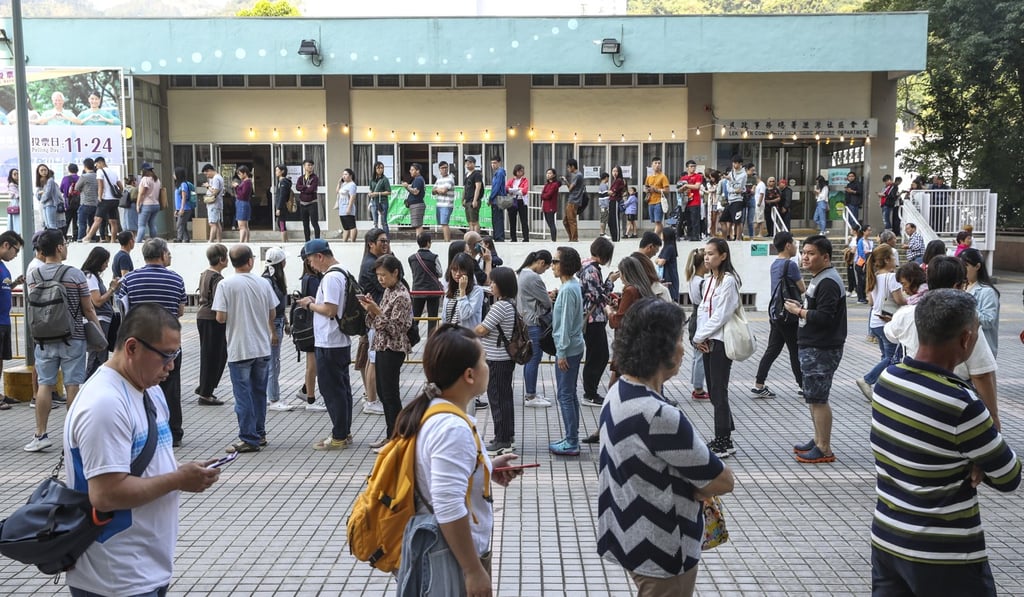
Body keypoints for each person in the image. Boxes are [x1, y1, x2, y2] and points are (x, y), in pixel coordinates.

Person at [63, 303, 221, 597]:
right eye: (166, 355)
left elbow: (146, 465)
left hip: (146, 566)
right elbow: (106, 495)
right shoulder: (104, 404)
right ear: (132, 347)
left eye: (175, 355)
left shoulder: (149, 391)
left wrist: (186, 473)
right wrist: (178, 480)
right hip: (115, 576)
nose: (171, 365)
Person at [870, 289, 1021, 595]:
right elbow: (1008, 476)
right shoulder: (961, 404)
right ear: (966, 339)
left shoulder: (888, 380)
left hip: (888, 539)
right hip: (945, 556)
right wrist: (977, 455)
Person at [598, 298, 735, 597]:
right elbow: (722, 480)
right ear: (662, 349)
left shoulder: (618, 392)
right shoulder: (659, 415)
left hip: (629, 537)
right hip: (663, 548)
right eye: (678, 340)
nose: (683, 348)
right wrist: (700, 487)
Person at [393, 324, 521, 596]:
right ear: (469, 375)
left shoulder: (434, 410)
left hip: (443, 549)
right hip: (449, 554)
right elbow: (448, 506)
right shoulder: (452, 429)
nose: (488, 365)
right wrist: (473, 570)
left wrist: (484, 468)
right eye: (484, 360)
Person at [885, 256, 1002, 429]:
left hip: (913, 396)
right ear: (957, 285)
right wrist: (993, 416)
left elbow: (890, 333)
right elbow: (982, 373)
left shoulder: (907, 313)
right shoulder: (966, 321)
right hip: (954, 402)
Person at [24, 230, 101, 452]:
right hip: (73, 337)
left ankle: (40, 435)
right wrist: (98, 334)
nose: (66, 247)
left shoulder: (34, 276)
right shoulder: (75, 275)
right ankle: (73, 438)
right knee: (72, 385)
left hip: (44, 338)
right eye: (65, 244)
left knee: (45, 385)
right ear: (59, 247)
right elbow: (88, 309)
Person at [116, 238, 187, 446]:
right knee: (171, 388)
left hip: (139, 344)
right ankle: (173, 432)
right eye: (169, 253)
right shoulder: (176, 279)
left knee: (139, 387)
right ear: (163, 254)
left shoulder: (129, 279)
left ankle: (145, 431)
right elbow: (181, 310)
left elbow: (123, 309)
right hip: (168, 345)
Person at [785, 234, 847, 464]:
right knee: (813, 397)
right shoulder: (820, 278)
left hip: (822, 347)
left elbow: (826, 318)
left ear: (826, 257)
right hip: (813, 345)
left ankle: (824, 447)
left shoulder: (828, 281)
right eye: (804, 253)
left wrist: (799, 312)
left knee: (819, 398)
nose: (805, 257)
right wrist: (802, 308)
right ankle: (818, 438)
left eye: (811, 254)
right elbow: (818, 310)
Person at [212, 245, 278, 454]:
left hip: (239, 348)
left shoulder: (225, 284)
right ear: (249, 261)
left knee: (243, 395)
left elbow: (220, 317)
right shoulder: (263, 283)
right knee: (259, 393)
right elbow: (273, 313)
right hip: (261, 347)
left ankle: (248, 438)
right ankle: (260, 433)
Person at [295, 239, 355, 450]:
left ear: (320, 256)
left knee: (332, 391)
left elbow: (330, 310)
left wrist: (310, 304)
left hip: (329, 341)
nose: (311, 265)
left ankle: (338, 436)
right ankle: (344, 432)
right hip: (340, 341)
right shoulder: (344, 271)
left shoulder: (330, 278)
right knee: (342, 389)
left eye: (311, 260)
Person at [359, 254, 412, 451]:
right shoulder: (389, 292)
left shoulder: (401, 295)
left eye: (384, 275)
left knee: (390, 394)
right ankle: (391, 435)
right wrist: (370, 309)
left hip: (393, 348)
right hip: (381, 346)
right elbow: (375, 324)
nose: (380, 279)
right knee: (383, 392)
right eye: (378, 275)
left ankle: (396, 438)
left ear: (395, 272)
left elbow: (395, 328)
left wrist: (377, 311)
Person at [692, 238, 740, 458]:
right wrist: (699, 337)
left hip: (720, 341)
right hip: (708, 340)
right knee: (714, 391)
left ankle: (724, 440)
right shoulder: (709, 280)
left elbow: (722, 314)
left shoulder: (729, 281)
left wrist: (699, 336)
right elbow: (704, 311)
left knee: (719, 391)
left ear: (723, 256)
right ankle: (725, 433)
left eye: (711, 253)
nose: (707, 257)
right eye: (706, 253)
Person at [752, 232, 805, 399]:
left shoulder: (775, 264)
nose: (796, 247)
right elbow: (802, 288)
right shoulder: (791, 265)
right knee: (795, 350)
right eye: (795, 244)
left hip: (776, 313)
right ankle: (804, 386)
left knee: (773, 349)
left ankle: (759, 384)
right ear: (788, 245)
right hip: (789, 313)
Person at [474, 266, 518, 455]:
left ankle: (502, 440)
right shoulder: (509, 303)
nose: (490, 285)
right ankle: (505, 436)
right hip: (503, 359)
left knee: (498, 400)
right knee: (504, 398)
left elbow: (482, 330)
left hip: (497, 359)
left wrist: (466, 332)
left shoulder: (500, 306)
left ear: (503, 285)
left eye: (494, 282)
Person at [855, 244, 906, 400]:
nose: (895, 259)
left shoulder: (874, 276)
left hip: (875, 322)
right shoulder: (892, 277)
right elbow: (899, 299)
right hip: (887, 322)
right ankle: (867, 379)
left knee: (886, 356)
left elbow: (871, 301)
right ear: (886, 259)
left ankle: (883, 388)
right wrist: (910, 300)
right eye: (892, 256)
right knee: (892, 358)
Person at [550, 246, 585, 456]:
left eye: (555, 261)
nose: (552, 265)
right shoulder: (571, 286)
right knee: (569, 394)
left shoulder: (568, 289)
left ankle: (572, 441)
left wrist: (561, 352)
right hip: (573, 345)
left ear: (566, 265)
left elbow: (565, 323)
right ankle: (571, 436)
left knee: (565, 394)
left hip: (569, 348)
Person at [577, 237, 617, 408]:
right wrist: (610, 282)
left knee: (597, 355)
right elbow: (597, 295)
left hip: (595, 318)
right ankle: (590, 393)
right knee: (598, 356)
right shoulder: (591, 270)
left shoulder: (587, 266)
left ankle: (590, 391)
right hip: (593, 319)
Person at [516, 250, 553, 409]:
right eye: (545, 268)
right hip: (533, 322)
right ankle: (530, 395)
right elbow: (546, 302)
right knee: (534, 358)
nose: (544, 272)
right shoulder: (533, 277)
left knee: (530, 358)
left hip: (525, 321)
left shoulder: (522, 274)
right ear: (541, 263)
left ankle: (530, 393)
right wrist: (549, 297)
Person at [358, 228, 390, 415]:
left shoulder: (372, 262)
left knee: (372, 359)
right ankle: (371, 400)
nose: (385, 244)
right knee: (373, 360)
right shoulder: (371, 265)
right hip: (374, 318)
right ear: (371, 244)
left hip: (374, 317)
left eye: (386, 241)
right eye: (381, 241)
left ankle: (371, 397)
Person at [196, 244, 228, 407]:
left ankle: (204, 387)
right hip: (212, 318)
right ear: (221, 259)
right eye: (226, 256)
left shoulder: (205, 274)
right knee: (215, 355)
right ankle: (206, 393)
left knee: (209, 353)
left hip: (202, 316)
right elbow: (219, 302)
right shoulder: (218, 279)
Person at [262, 247, 295, 411]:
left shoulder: (275, 279)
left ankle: (272, 396)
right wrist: (273, 332)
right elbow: (268, 308)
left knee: (275, 361)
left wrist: (286, 322)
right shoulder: (268, 281)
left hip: (279, 322)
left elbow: (279, 306)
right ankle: (273, 398)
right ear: (280, 262)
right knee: (272, 363)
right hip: (273, 325)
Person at [81, 246, 120, 378]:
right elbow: (97, 301)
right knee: (97, 356)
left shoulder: (94, 277)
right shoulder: (90, 277)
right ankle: (90, 382)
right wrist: (111, 289)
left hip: (104, 320)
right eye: (105, 262)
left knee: (101, 356)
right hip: (100, 320)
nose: (106, 266)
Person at [0, 231, 24, 410]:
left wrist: (15, 283)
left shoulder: (3, 266)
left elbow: (5, 288)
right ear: (6, 245)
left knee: (1, 358)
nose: (16, 255)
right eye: (16, 251)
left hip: (4, 320)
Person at [961, 248, 1000, 357]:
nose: (962, 270)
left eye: (966, 266)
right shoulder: (963, 286)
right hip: (964, 349)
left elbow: (988, 320)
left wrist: (965, 308)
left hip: (981, 351)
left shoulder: (987, 291)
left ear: (977, 266)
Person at [684, 248, 709, 401]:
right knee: (701, 354)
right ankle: (699, 389)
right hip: (701, 318)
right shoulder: (703, 282)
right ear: (701, 264)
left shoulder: (693, 279)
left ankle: (696, 386)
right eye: (706, 260)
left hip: (694, 317)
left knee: (696, 355)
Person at [408, 232, 443, 337]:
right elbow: (440, 273)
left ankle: (410, 340)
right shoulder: (434, 257)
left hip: (417, 290)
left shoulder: (411, 258)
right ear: (428, 243)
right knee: (432, 318)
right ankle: (430, 342)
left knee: (415, 318)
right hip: (433, 291)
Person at [442, 252, 486, 331]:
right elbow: (445, 318)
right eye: (454, 269)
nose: (458, 274)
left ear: (468, 272)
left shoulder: (477, 291)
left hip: (467, 339)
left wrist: (462, 291)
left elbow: (465, 314)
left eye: (462, 270)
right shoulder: (449, 291)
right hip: (450, 338)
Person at [90, 156, 122, 241]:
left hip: (105, 199)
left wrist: (100, 197)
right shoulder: (114, 172)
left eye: (96, 165)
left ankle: (88, 237)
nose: (96, 167)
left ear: (100, 163)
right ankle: (113, 240)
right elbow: (121, 187)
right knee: (113, 221)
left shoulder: (100, 171)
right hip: (115, 200)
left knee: (97, 219)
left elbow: (101, 186)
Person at [136, 163, 163, 242]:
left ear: (144, 171)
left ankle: (137, 242)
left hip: (146, 205)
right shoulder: (157, 179)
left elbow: (141, 193)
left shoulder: (145, 179)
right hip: (156, 205)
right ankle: (154, 241)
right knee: (152, 224)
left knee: (141, 225)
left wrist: (138, 205)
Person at [296, 159, 321, 241]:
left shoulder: (315, 178)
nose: (310, 167)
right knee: (305, 224)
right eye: (308, 165)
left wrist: (303, 189)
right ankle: (307, 241)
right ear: (304, 166)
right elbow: (297, 187)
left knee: (314, 223)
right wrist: (306, 187)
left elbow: (311, 189)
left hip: (312, 203)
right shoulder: (301, 178)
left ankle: (317, 240)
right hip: (303, 204)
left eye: (311, 165)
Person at [679, 160, 704, 241]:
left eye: (694, 166)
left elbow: (697, 187)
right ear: (687, 168)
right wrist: (682, 189)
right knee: (688, 220)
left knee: (695, 220)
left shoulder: (698, 176)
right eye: (691, 166)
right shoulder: (683, 178)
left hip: (695, 201)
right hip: (686, 201)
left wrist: (686, 185)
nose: (693, 168)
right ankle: (689, 235)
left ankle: (696, 236)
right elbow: (679, 189)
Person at [74, 159, 98, 241]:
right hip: (95, 203)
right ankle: (93, 239)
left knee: (82, 223)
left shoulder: (84, 176)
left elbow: (76, 187)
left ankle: (81, 239)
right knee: (92, 223)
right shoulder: (97, 176)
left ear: (85, 167)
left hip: (85, 203)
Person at [644, 157, 669, 236]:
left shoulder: (663, 176)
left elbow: (667, 190)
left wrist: (656, 190)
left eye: (659, 163)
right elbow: (646, 188)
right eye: (655, 163)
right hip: (651, 201)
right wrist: (648, 190)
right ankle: (663, 236)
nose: (657, 165)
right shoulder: (649, 177)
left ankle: (654, 237)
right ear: (652, 165)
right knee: (656, 222)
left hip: (659, 201)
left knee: (658, 221)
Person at [723, 156, 746, 241]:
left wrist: (730, 180)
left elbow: (739, 187)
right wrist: (730, 182)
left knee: (738, 220)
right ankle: (726, 237)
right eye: (734, 163)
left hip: (738, 200)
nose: (735, 165)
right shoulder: (731, 172)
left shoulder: (743, 174)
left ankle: (738, 238)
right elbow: (728, 186)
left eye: (736, 163)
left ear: (740, 164)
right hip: (730, 199)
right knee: (724, 219)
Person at [201, 163, 225, 243]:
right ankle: (218, 241)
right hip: (217, 204)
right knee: (217, 223)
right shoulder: (218, 177)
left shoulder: (216, 178)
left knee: (212, 223)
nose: (207, 176)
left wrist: (208, 186)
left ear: (210, 171)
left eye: (206, 173)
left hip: (214, 204)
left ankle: (211, 241)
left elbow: (215, 192)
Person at [654, 226, 679, 302]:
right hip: (665, 275)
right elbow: (656, 260)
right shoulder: (665, 247)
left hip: (669, 276)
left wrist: (659, 260)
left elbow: (661, 262)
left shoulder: (670, 248)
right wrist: (659, 260)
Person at [169, 167, 194, 243]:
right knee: (183, 224)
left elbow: (184, 197)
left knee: (179, 224)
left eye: (174, 173)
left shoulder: (183, 185)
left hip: (185, 208)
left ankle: (179, 238)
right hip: (181, 208)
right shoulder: (179, 185)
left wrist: (182, 208)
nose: (173, 175)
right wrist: (177, 209)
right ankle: (186, 239)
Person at [506, 163, 529, 242]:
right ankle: (513, 238)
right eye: (519, 171)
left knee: (524, 220)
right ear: (515, 171)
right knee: (512, 220)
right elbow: (507, 189)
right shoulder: (511, 180)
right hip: (512, 201)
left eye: (522, 171)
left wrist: (514, 190)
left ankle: (526, 238)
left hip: (521, 201)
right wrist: (518, 189)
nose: (520, 173)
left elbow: (524, 191)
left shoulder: (525, 180)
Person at [368, 160, 392, 238]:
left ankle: (386, 239)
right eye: (378, 168)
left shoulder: (385, 179)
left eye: (382, 168)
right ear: (375, 169)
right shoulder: (372, 179)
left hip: (383, 202)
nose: (380, 169)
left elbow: (389, 192)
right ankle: (375, 238)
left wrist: (378, 194)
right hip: (374, 202)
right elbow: (371, 189)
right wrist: (370, 193)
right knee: (375, 222)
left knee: (384, 222)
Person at [562, 159, 584, 242]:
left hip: (574, 200)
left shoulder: (578, 175)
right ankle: (571, 238)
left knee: (571, 220)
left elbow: (570, 188)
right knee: (566, 221)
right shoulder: (578, 175)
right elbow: (570, 188)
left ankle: (574, 239)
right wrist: (565, 181)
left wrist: (566, 182)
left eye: (568, 167)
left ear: (572, 166)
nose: (568, 169)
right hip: (573, 200)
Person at [35, 163, 62, 230]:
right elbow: (37, 194)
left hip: (50, 204)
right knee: (47, 224)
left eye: (45, 170)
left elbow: (48, 193)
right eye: (41, 170)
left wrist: (41, 196)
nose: (44, 172)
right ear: (38, 172)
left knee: (51, 224)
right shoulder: (41, 181)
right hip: (44, 205)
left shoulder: (50, 180)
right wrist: (40, 193)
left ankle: (55, 239)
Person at [433, 160, 455, 241]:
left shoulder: (450, 178)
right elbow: (433, 191)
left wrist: (438, 190)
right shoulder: (438, 179)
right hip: (439, 204)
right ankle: (445, 240)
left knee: (444, 223)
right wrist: (439, 190)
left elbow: (444, 191)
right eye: (442, 168)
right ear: (439, 169)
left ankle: (447, 242)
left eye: (446, 168)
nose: (444, 169)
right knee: (442, 224)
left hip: (447, 204)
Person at [488, 156, 507, 242]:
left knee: (497, 218)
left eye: (495, 163)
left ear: (499, 163)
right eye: (492, 163)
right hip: (497, 199)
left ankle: (499, 237)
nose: (493, 165)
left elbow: (496, 187)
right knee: (496, 218)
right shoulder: (498, 172)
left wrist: (490, 198)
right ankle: (497, 236)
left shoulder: (499, 173)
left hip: (497, 199)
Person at [336, 168, 359, 242]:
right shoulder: (344, 184)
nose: (344, 176)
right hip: (342, 207)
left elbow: (352, 197)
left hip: (347, 206)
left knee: (352, 225)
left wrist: (349, 208)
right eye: (343, 174)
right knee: (345, 227)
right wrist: (339, 183)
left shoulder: (352, 185)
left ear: (350, 176)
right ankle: (344, 241)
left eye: (346, 174)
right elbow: (337, 191)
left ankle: (353, 241)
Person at [60, 163, 81, 241]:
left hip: (68, 203)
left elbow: (61, 189)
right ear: (77, 170)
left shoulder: (65, 179)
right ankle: (76, 237)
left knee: (66, 221)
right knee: (76, 221)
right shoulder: (80, 178)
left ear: (69, 170)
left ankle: (64, 237)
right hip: (78, 203)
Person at [232, 165, 253, 243]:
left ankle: (241, 242)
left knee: (241, 225)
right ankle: (246, 241)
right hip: (242, 203)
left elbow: (243, 194)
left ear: (245, 173)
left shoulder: (247, 182)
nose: (239, 175)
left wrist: (237, 187)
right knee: (245, 225)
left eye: (240, 174)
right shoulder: (246, 182)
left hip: (242, 203)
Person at [463, 156, 484, 233]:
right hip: (468, 200)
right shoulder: (466, 175)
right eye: (466, 163)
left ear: (474, 164)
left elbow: (478, 187)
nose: (468, 164)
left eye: (470, 163)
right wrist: (464, 199)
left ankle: (476, 238)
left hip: (473, 200)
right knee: (470, 222)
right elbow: (465, 188)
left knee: (474, 221)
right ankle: (471, 237)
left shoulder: (477, 174)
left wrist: (475, 200)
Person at [540, 168, 560, 241]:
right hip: (545, 206)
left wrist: (543, 195)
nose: (548, 175)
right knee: (549, 223)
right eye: (547, 173)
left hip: (551, 206)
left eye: (550, 173)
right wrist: (543, 196)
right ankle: (553, 239)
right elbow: (542, 195)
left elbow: (548, 195)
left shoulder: (555, 185)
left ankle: (554, 240)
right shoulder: (547, 184)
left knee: (551, 223)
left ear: (554, 175)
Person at [274, 164, 292, 243]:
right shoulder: (281, 181)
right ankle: (286, 240)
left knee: (281, 223)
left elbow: (282, 196)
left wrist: (278, 208)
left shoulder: (283, 182)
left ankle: (284, 241)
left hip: (282, 206)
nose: (276, 172)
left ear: (282, 171)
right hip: (281, 205)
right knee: (281, 223)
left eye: (277, 170)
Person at [608, 165, 626, 242]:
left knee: (615, 220)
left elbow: (612, 192)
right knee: (610, 221)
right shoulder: (614, 181)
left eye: (616, 171)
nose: (614, 173)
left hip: (615, 201)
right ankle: (613, 237)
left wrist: (609, 192)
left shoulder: (619, 180)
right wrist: (610, 193)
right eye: (613, 171)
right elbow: (610, 193)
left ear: (619, 172)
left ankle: (616, 238)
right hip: (611, 201)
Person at [596, 171, 611, 238]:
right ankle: (602, 233)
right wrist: (607, 206)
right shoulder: (604, 185)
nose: (608, 179)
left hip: (602, 205)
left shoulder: (601, 185)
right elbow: (606, 197)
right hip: (604, 205)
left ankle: (603, 233)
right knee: (603, 219)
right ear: (606, 178)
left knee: (603, 219)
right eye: (608, 178)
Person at [7, 168, 20, 234]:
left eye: (18, 173)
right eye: (15, 174)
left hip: (18, 203)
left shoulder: (20, 184)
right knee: (17, 221)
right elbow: (18, 195)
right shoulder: (12, 184)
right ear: (11, 176)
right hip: (15, 204)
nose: (17, 175)